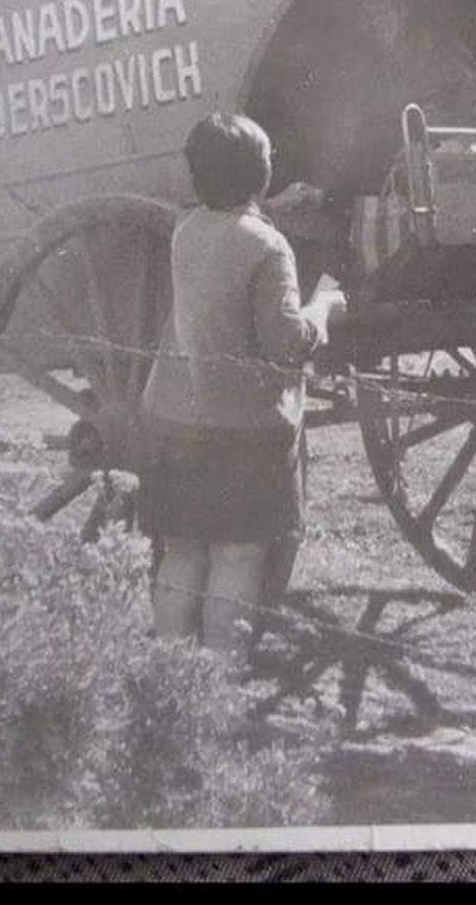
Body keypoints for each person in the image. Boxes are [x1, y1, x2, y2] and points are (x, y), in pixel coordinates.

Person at [138, 114, 344, 661]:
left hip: (176, 423)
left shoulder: (186, 229)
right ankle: (219, 686)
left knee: (181, 554)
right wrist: (325, 304)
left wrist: (270, 205)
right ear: (260, 173)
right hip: (242, 432)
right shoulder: (270, 250)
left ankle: (171, 679)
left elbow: (227, 229)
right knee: (237, 557)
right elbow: (288, 346)